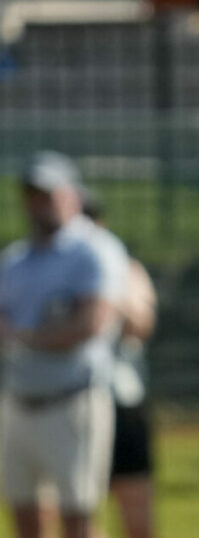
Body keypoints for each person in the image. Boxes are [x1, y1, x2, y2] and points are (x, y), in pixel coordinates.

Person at [0, 151, 129, 538]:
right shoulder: (15, 259)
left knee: (78, 520)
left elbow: (91, 323)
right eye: (32, 196)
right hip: (18, 400)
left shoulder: (93, 250)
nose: (38, 205)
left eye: (47, 195)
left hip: (72, 401)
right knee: (25, 517)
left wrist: (23, 338)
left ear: (72, 195)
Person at [84, 194, 158, 538]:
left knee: (135, 501)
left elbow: (140, 326)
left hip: (122, 399)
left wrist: (105, 289)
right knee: (81, 506)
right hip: (75, 398)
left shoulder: (126, 269)